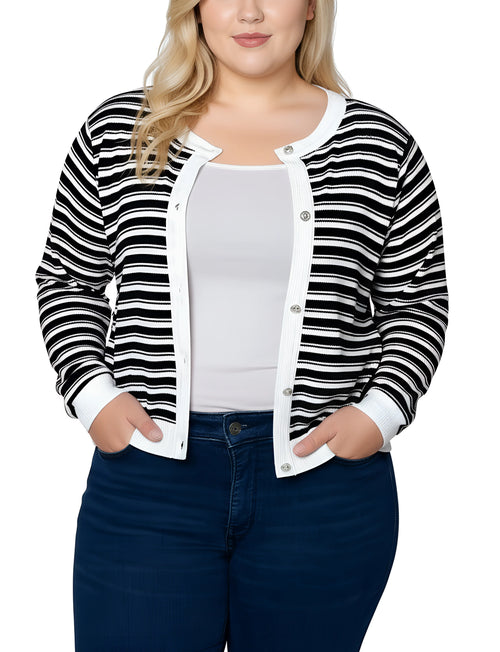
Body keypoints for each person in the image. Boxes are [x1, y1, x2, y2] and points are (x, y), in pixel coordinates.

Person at [34, 1, 449, 650]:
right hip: (151, 478)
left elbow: (417, 301)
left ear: (310, 7)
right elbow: (67, 279)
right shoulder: (121, 130)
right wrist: (93, 395)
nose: (250, 11)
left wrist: (381, 412)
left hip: (323, 485)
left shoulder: (378, 143)